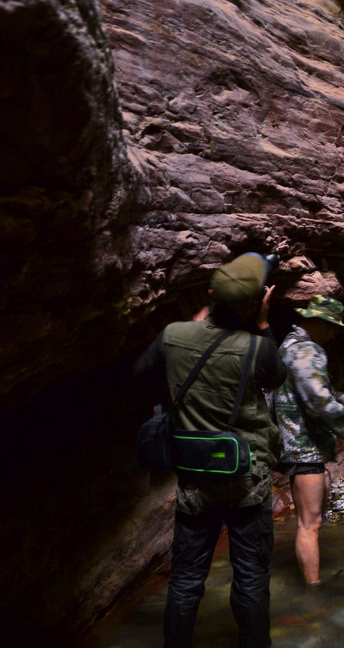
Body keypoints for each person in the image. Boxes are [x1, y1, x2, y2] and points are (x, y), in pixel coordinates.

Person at [134, 253, 288, 648]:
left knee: (186, 578)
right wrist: (263, 323)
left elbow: (140, 375)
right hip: (247, 478)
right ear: (256, 303)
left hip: (195, 475)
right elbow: (275, 378)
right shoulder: (257, 346)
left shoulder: (173, 335)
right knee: (251, 577)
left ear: (210, 293)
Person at [272, 295, 344, 586]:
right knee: (310, 523)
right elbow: (318, 401)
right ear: (319, 322)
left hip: (291, 443)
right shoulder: (308, 350)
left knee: (311, 519)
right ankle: (314, 592)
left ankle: (312, 584)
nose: (332, 334)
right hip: (303, 447)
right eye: (331, 326)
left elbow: (322, 391)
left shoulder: (289, 347)